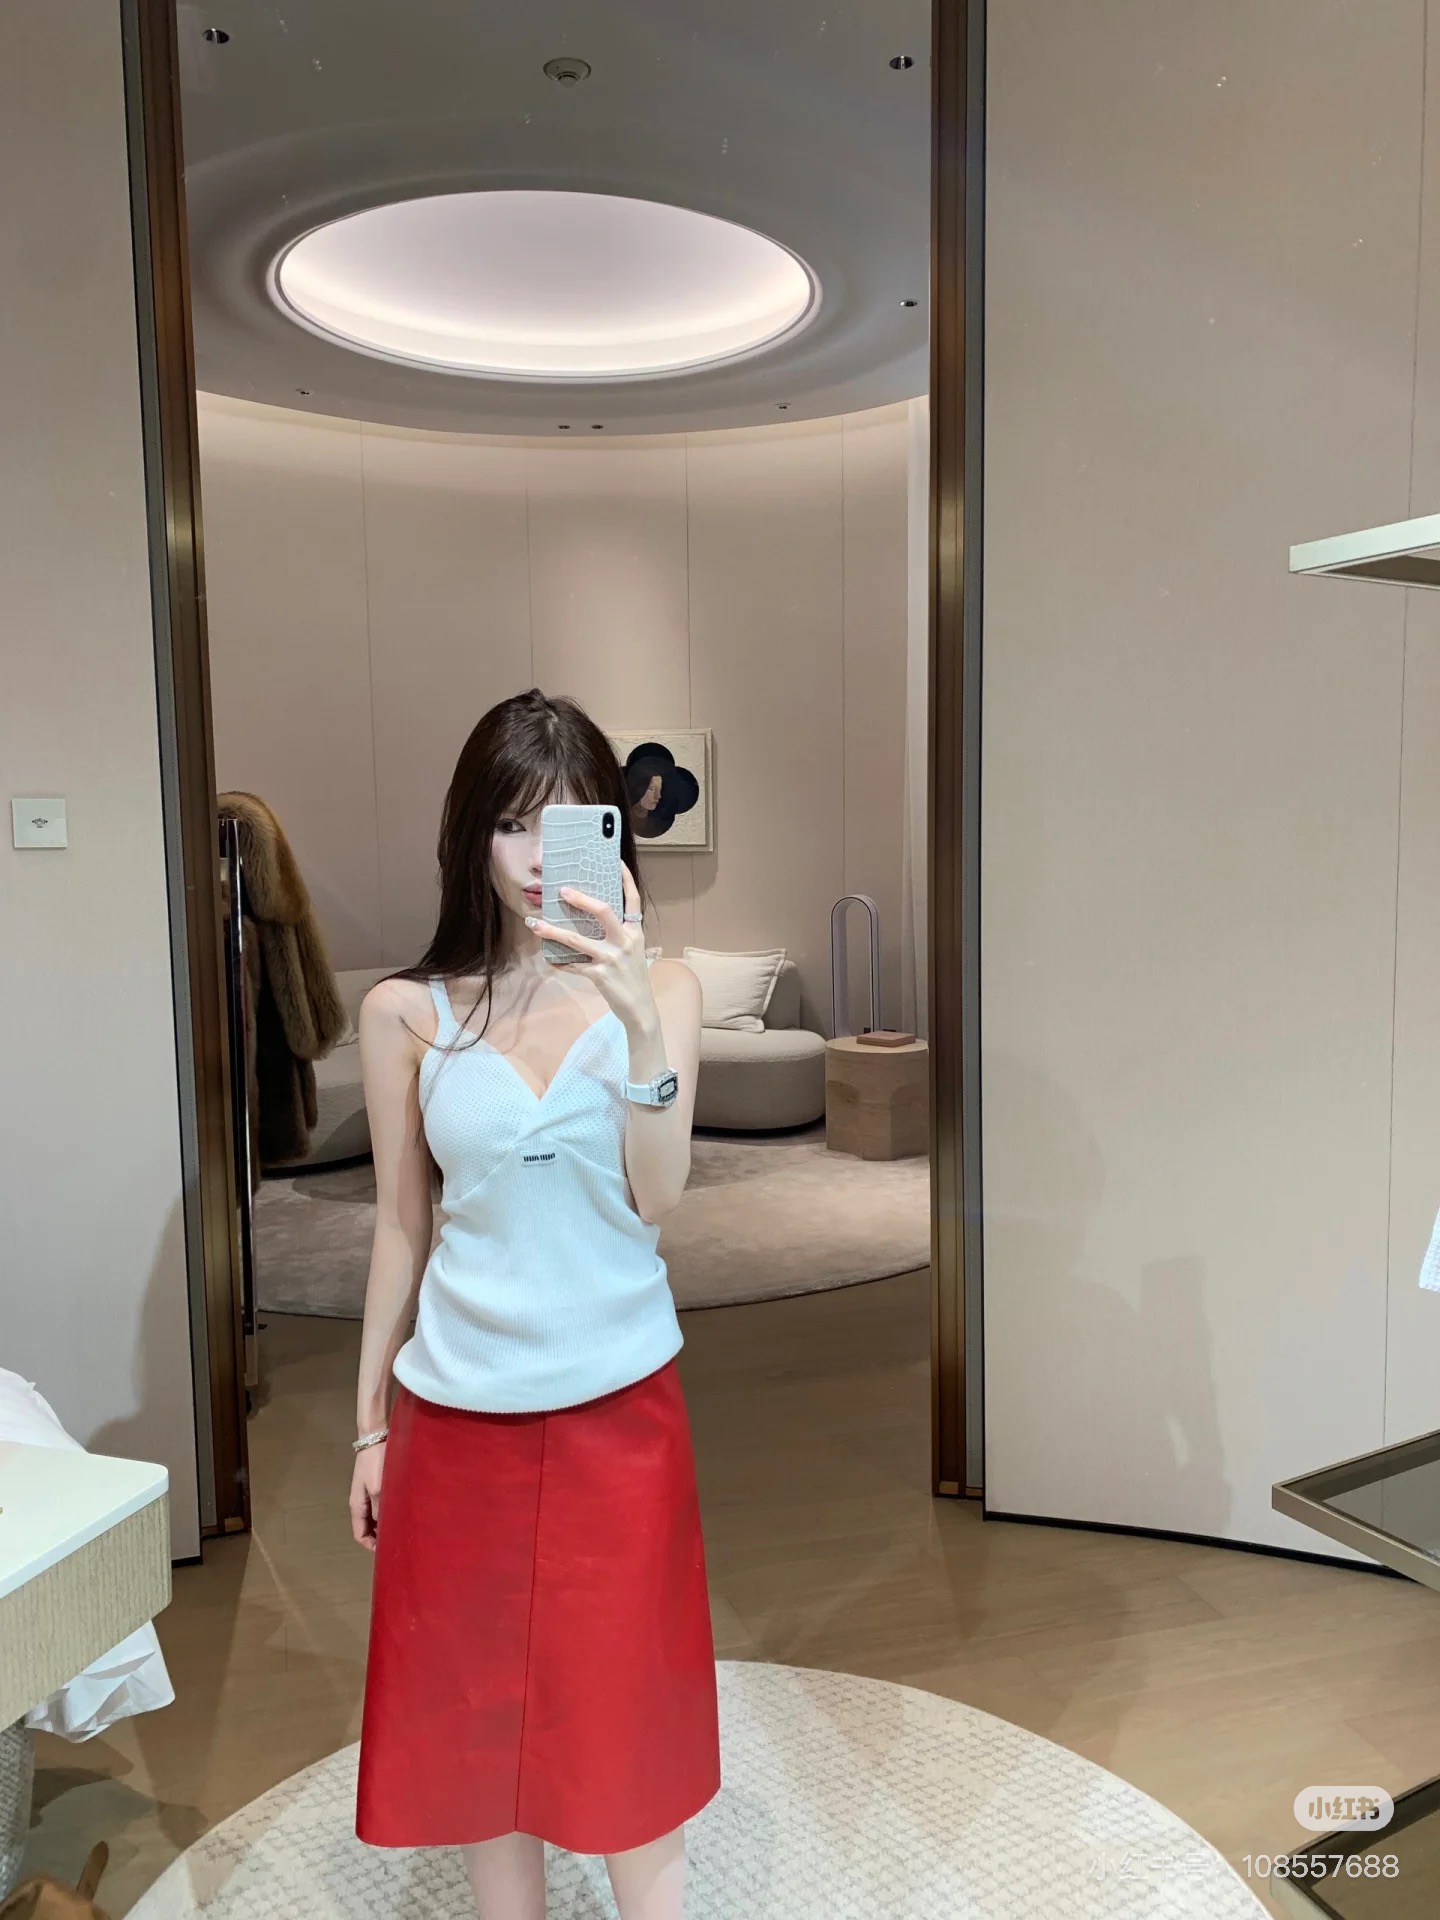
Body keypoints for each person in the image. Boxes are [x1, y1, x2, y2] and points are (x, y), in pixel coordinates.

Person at [348, 687, 720, 1920]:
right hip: (457, 1420)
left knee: (627, 1731)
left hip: (619, 1410)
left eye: (566, 824)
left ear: (610, 834)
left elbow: (659, 1199)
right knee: (481, 1735)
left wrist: (637, 1026)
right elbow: (402, 1230)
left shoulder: (664, 991)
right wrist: (367, 1428)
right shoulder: (408, 1013)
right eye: (512, 824)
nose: (535, 857)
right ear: (471, 835)